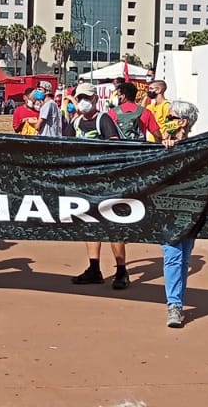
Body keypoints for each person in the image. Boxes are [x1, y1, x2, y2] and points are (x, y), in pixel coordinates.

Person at [67, 83, 129, 289]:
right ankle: (94, 268)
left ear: (95, 100)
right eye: (80, 98)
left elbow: (115, 146)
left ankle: (121, 271)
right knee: (89, 224)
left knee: (112, 226)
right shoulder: (75, 123)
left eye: (87, 98)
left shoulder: (104, 119)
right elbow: (64, 147)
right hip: (85, 183)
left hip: (107, 182)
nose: (83, 102)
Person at [160, 100, 200, 328]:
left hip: (191, 209)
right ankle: (173, 305)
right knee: (172, 255)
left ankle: (178, 302)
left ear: (183, 122)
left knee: (184, 258)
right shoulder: (161, 144)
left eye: (171, 116)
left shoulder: (199, 147)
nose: (167, 120)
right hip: (168, 209)